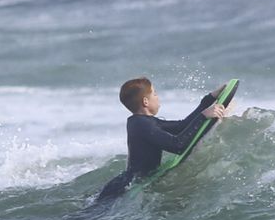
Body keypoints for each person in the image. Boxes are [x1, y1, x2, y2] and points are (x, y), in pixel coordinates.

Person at [88, 77, 229, 203]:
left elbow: (182, 126)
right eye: (154, 94)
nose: (158, 97)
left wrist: (209, 98)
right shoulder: (142, 125)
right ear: (145, 101)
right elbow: (178, 146)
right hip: (125, 185)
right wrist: (203, 116)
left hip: (128, 180)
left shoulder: (142, 121)